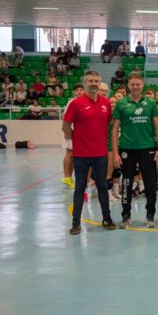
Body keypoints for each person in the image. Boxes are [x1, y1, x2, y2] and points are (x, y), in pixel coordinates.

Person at [62, 70, 116, 235]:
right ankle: (76, 222)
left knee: (102, 186)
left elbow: (106, 125)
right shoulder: (76, 103)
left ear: (99, 83)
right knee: (80, 187)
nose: (93, 83)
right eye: (90, 81)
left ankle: (106, 218)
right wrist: (76, 140)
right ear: (85, 83)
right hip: (81, 155)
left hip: (100, 154)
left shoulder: (106, 103)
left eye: (96, 81)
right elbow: (65, 126)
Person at [112, 72, 158, 229]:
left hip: (148, 148)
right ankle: (126, 216)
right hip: (127, 149)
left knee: (149, 184)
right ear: (128, 85)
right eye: (132, 84)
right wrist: (115, 153)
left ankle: (150, 215)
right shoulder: (121, 104)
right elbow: (114, 130)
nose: (135, 87)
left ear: (142, 85)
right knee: (127, 183)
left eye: (138, 84)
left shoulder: (150, 103)